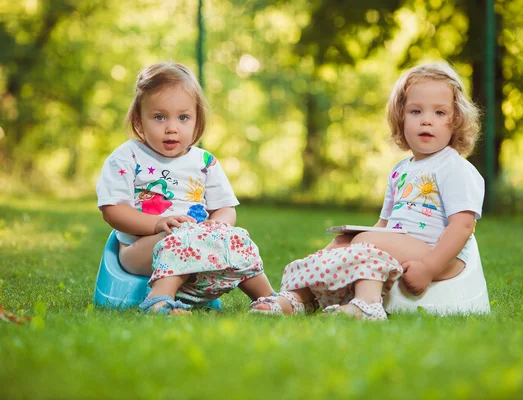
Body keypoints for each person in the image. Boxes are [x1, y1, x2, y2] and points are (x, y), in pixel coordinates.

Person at [250, 61, 484, 320]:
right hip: (407, 247)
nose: (427, 121)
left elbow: (462, 227)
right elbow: (384, 223)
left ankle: (367, 305)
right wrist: (352, 240)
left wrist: (429, 268)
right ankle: (298, 297)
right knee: (341, 242)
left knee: (364, 242)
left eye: (440, 113)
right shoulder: (400, 170)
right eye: (416, 111)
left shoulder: (453, 167)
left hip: (439, 256)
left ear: (457, 120)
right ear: (401, 117)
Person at [97, 62, 275, 315]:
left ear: (196, 120)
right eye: (159, 117)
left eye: (183, 117)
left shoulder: (204, 162)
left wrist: (218, 225)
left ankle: (269, 299)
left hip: (198, 241)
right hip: (143, 249)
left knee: (238, 238)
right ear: (139, 119)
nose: (172, 127)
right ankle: (159, 301)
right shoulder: (127, 157)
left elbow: (224, 208)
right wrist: (157, 224)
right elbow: (112, 211)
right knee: (181, 239)